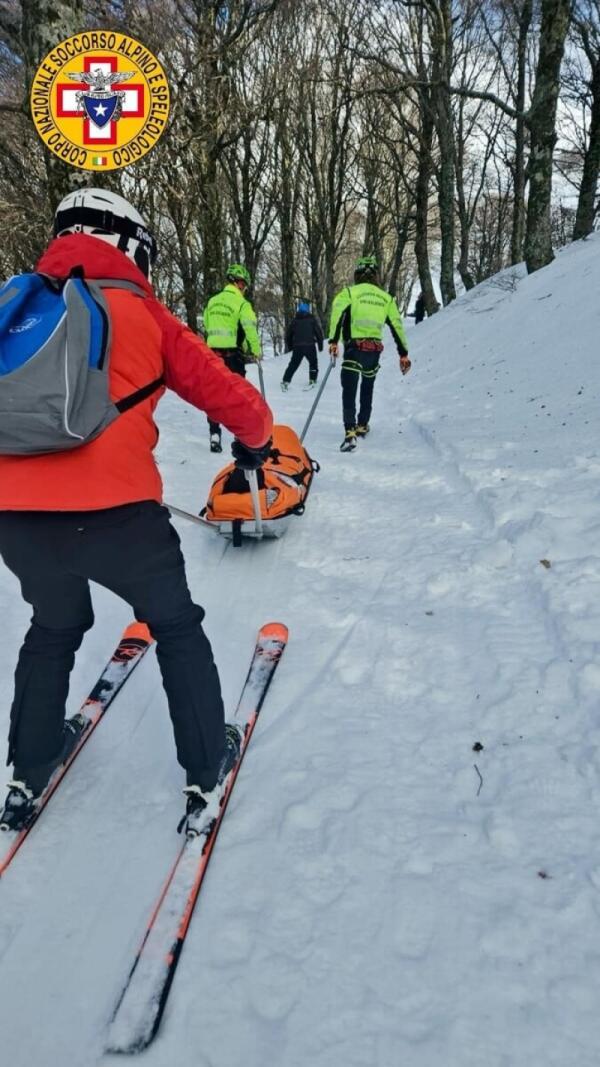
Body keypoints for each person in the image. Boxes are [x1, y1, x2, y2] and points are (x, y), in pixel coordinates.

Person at [0, 188, 272, 833]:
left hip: (16, 517)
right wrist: (255, 443)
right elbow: (234, 399)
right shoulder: (142, 311)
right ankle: (206, 766)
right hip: (120, 516)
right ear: (131, 245)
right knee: (174, 626)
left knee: (54, 625)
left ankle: (25, 768)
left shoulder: (12, 305)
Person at [328, 256, 411, 451]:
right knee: (367, 388)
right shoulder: (386, 298)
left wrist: (333, 341)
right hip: (373, 352)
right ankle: (363, 424)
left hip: (353, 348)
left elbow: (337, 315)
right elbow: (397, 327)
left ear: (357, 274)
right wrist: (403, 354)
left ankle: (350, 431)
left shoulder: (349, 292)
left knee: (349, 390)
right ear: (375, 276)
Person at [203, 264, 262, 452]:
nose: (244, 289)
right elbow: (249, 328)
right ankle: (241, 434)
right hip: (232, 356)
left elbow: (206, 324)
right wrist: (255, 350)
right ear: (238, 283)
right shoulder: (242, 304)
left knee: (213, 395)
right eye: (244, 285)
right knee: (238, 394)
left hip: (212, 355)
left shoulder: (212, 302)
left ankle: (214, 433)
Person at [281, 301, 324, 391]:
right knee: (313, 363)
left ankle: (285, 380)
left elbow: (288, 335)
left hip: (298, 347)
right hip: (310, 346)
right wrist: (320, 345)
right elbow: (318, 333)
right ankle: (312, 380)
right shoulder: (312, 320)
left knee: (293, 364)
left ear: (299, 310)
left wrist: (290, 346)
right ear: (308, 310)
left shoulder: (295, 321)